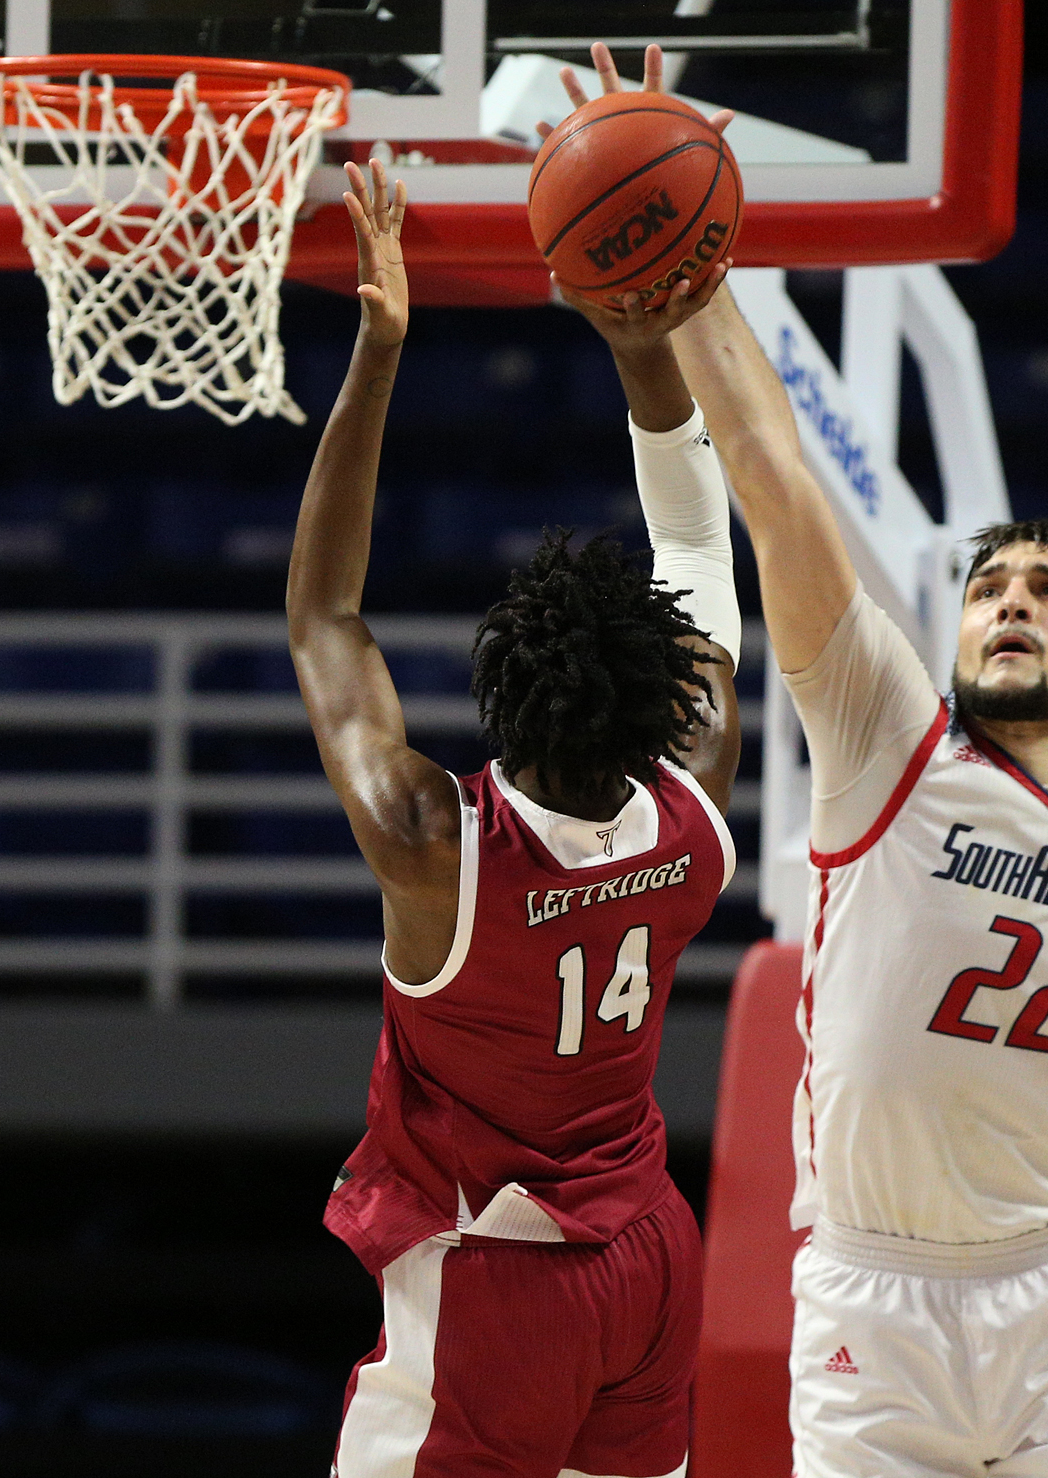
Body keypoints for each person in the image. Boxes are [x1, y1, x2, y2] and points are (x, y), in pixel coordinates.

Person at [544, 42, 1048, 1477]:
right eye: (988, 586)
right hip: (870, 1301)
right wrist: (697, 278)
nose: (1012, 598)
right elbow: (777, 487)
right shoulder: (882, 733)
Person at [288, 157, 742, 1478]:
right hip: (652, 1256)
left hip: (502, 1279)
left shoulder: (437, 846)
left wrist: (379, 350)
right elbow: (700, 553)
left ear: (496, 702)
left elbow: (323, 615)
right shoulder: (693, 814)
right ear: (660, 704)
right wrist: (646, 341)